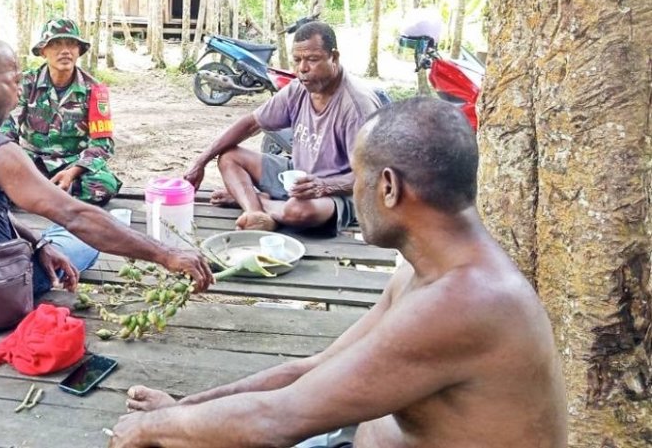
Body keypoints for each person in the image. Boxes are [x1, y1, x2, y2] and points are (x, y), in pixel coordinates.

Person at [108, 98, 568, 448]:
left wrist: (152, 427)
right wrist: (183, 410)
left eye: (358, 177)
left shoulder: (465, 304)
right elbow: (311, 369)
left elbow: (276, 421)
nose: (352, 190)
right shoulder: (425, 271)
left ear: (388, 187)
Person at [0, 37, 212, 317]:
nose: (18, 93)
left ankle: (47, 239)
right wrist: (167, 254)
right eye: (14, 82)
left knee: (51, 235)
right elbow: (75, 216)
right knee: (80, 237)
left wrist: (38, 244)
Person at [184, 21, 382, 235]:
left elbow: (370, 176)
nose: (302, 68)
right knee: (229, 157)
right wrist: (200, 162)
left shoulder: (357, 106)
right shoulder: (299, 88)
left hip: (339, 193)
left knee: (298, 211)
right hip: (297, 175)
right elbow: (251, 123)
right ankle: (255, 214)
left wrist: (323, 186)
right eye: (297, 60)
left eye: (312, 59)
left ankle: (256, 199)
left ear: (333, 57)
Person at [0, 18, 121, 206]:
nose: (65, 51)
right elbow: (4, 121)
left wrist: (73, 172)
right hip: (32, 162)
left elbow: (102, 142)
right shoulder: (26, 83)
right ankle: (56, 195)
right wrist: (16, 160)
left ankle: (39, 194)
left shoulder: (95, 90)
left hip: (74, 164)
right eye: (56, 44)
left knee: (103, 186)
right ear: (43, 51)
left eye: (71, 44)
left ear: (79, 51)